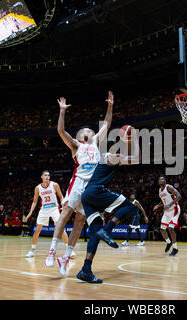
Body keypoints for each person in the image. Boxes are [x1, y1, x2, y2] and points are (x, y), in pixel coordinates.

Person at [45, 92, 114, 270]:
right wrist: (62, 111)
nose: (90, 131)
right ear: (80, 135)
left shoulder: (96, 142)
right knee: (66, 212)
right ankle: (52, 250)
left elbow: (106, 124)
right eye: (86, 131)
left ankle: (66, 257)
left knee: (80, 221)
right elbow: (60, 131)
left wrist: (110, 106)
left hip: (91, 187)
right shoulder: (76, 145)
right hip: (78, 182)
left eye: (91, 130)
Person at [77, 152, 140, 283]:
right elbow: (136, 159)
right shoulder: (110, 156)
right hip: (96, 191)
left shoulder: (104, 160)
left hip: (87, 196)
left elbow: (135, 159)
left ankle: (85, 270)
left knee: (96, 233)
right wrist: (131, 139)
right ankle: (108, 228)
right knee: (130, 206)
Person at [25, 171, 73, 258]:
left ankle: (69, 250)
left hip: (54, 208)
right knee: (37, 230)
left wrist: (63, 204)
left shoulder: (54, 185)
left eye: (48, 175)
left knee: (61, 228)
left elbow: (61, 196)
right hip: (44, 209)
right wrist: (30, 212)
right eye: (45, 175)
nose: (47, 176)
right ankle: (32, 250)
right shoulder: (38, 188)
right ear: (41, 177)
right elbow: (35, 202)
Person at [153, 176, 182, 256]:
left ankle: (175, 248)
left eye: (162, 179)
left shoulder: (169, 187)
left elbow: (179, 196)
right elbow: (164, 201)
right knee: (162, 229)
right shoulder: (160, 190)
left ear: (165, 181)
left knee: (170, 228)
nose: (160, 180)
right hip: (167, 211)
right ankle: (168, 243)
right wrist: (158, 205)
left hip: (174, 209)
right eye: (159, 179)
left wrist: (169, 204)